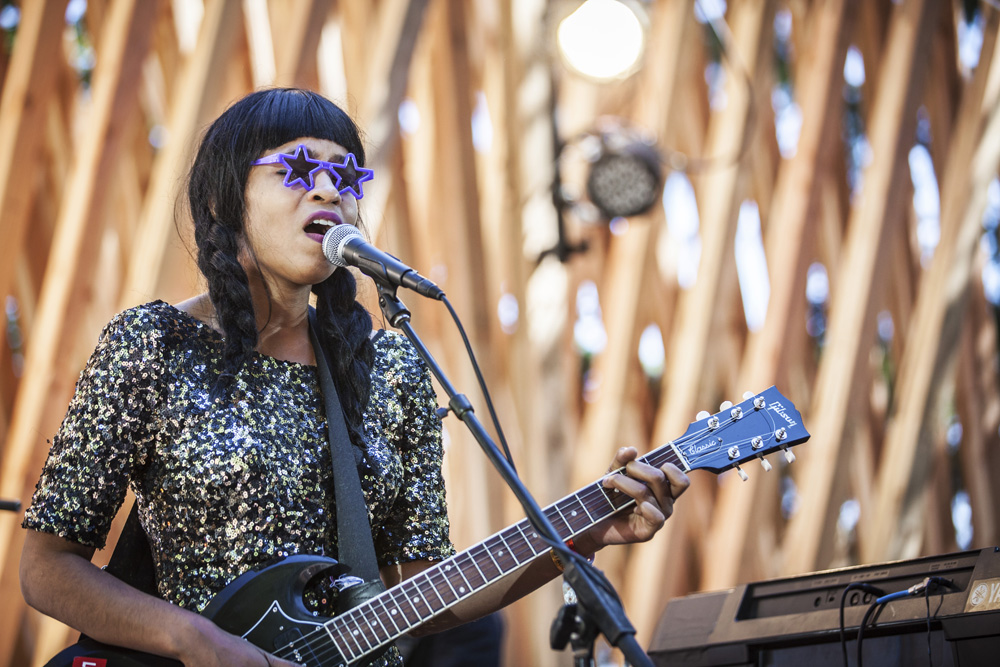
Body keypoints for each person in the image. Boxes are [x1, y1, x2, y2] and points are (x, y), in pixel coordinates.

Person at [19, 87, 689, 667]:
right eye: (301, 168)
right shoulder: (154, 342)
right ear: (224, 198)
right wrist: (195, 638)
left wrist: (584, 532)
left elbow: (422, 591)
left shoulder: (392, 370)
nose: (329, 191)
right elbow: (47, 566)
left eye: (348, 179)